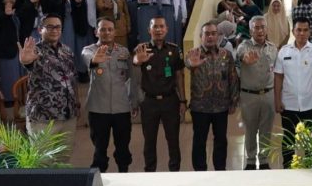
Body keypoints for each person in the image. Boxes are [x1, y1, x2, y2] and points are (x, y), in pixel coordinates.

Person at [274, 17, 312, 168]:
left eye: (305, 30)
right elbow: (278, 77)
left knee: (311, 142)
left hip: (310, 106)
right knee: (288, 141)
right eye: (298, 30)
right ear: (293, 31)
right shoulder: (284, 51)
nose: (301, 33)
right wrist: (277, 100)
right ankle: (287, 169)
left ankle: (310, 169)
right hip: (289, 105)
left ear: (310, 31)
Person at [18, 14, 78, 158]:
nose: (54, 30)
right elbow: (28, 63)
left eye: (58, 27)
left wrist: (77, 105)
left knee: (64, 159)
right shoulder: (35, 51)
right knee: (43, 163)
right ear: (40, 29)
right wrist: (26, 61)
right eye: (49, 27)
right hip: (43, 118)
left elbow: (71, 80)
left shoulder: (67, 51)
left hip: (68, 115)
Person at [82, 18, 137, 173]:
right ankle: (99, 182)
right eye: (103, 29)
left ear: (115, 32)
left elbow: (131, 79)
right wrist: (95, 60)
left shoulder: (123, 52)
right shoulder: (89, 50)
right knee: (99, 149)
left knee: (123, 148)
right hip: (99, 108)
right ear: (96, 32)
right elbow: (88, 60)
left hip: (121, 107)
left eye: (110, 29)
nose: (106, 32)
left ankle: (124, 176)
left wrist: (133, 102)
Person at [133, 16, 186, 172]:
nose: (158, 30)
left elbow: (179, 76)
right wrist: (137, 60)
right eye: (155, 27)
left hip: (170, 101)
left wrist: (183, 101)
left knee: (173, 140)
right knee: (149, 141)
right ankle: (150, 172)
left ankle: (174, 172)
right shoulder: (141, 49)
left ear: (166, 29)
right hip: (149, 102)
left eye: (161, 26)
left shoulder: (174, 50)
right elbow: (135, 65)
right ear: (149, 30)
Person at [185, 20, 239, 171]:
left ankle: (220, 170)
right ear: (201, 36)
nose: (210, 37)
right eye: (207, 34)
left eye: (213, 33)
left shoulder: (226, 55)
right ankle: (200, 171)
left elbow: (232, 77)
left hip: (221, 107)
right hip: (200, 108)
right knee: (199, 141)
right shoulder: (194, 53)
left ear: (218, 35)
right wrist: (191, 64)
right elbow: (187, 63)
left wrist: (234, 101)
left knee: (221, 140)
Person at [236, 16, 278, 170]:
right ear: (250, 30)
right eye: (256, 28)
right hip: (249, 96)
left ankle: (264, 159)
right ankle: (251, 160)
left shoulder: (273, 48)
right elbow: (240, 54)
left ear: (266, 29)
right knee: (250, 129)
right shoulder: (244, 46)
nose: (260, 30)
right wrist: (245, 58)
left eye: (262, 27)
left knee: (267, 130)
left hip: (268, 95)